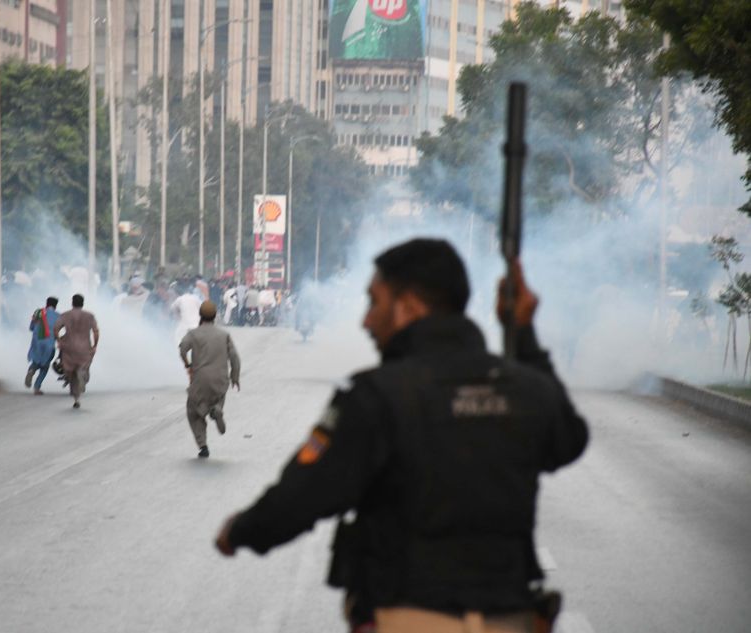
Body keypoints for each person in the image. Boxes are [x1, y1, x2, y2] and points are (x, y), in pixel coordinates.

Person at [214, 238, 588, 633]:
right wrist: (525, 336)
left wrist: (239, 531)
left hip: (411, 616)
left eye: (374, 302)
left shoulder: (376, 395)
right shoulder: (523, 386)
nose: (365, 320)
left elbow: (303, 496)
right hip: (513, 619)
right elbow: (569, 441)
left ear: (408, 307)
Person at [179, 301, 241, 459]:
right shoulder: (224, 335)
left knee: (194, 412)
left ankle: (203, 445)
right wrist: (235, 377)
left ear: (200, 315)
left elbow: (183, 348)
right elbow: (235, 358)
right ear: (215, 316)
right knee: (217, 398)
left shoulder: (193, 333)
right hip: (220, 380)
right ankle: (217, 409)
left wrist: (188, 364)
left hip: (200, 380)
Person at [53, 294, 100, 409]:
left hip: (69, 346)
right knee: (83, 367)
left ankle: (76, 399)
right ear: (82, 303)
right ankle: (82, 375)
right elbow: (95, 331)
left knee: (71, 373)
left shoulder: (65, 315)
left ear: (72, 303)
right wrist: (94, 345)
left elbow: (56, 329)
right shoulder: (89, 316)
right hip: (84, 346)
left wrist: (59, 340)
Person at [26, 297, 60, 395]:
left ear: (47, 303)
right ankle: (37, 387)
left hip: (37, 342)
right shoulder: (58, 316)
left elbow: (31, 327)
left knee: (36, 360)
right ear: (55, 305)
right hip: (49, 343)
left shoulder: (38, 312)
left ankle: (32, 370)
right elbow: (59, 330)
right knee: (45, 366)